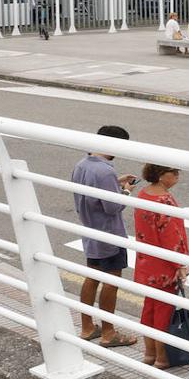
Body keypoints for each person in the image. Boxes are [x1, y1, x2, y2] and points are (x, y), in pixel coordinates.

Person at [72, 126, 138, 348]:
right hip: (109, 234)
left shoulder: (82, 165)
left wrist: (116, 182)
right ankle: (109, 333)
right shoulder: (104, 171)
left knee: (92, 277)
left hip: (91, 232)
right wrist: (126, 191)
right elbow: (112, 207)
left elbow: (92, 191)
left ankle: (87, 326)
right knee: (111, 281)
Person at [134, 163, 189, 369]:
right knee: (164, 310)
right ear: (160, 175)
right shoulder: (164, 200)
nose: (177, 176)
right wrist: (180, 264)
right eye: (173, 173)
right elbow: (171, 237)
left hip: (147, 260)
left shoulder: (143, 194)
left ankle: (149, 353)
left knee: (150, 307)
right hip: (164, 264)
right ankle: (161, 357)